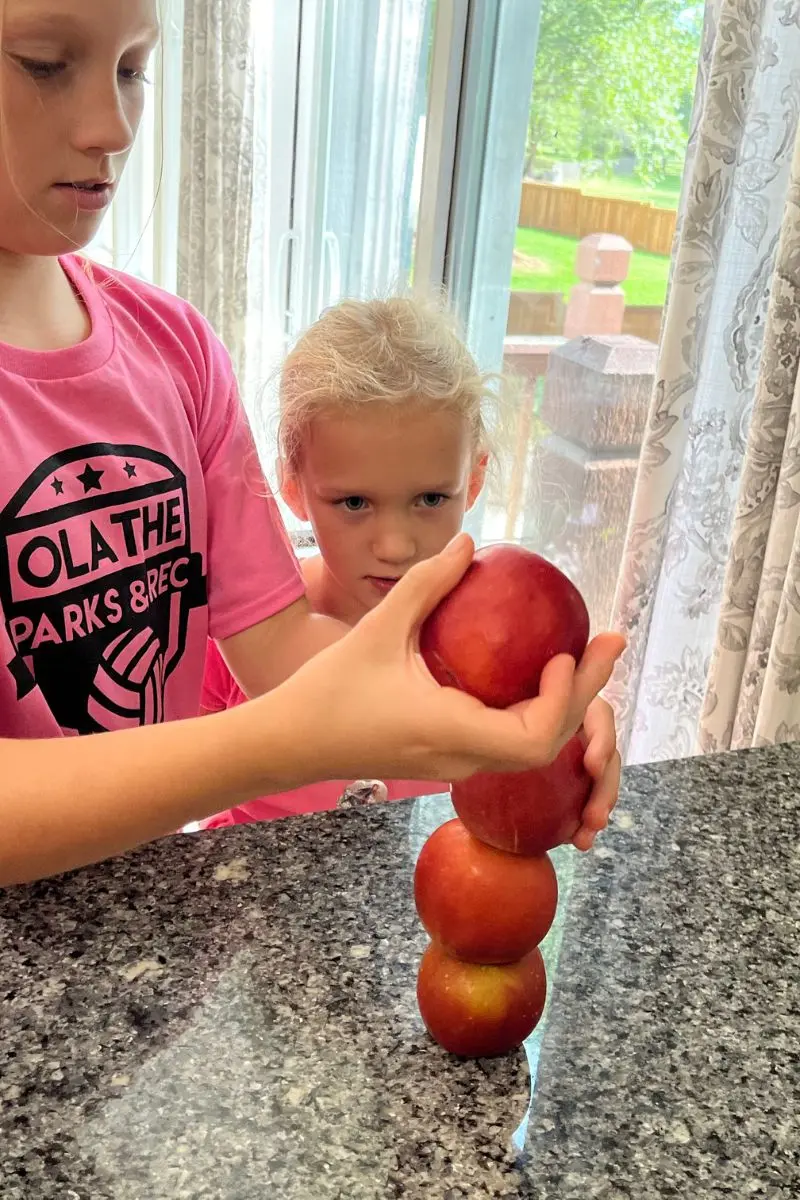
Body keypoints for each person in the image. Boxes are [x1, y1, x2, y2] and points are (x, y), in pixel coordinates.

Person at [0, 0, 624, 887]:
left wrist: (516, 705)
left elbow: (280, 640)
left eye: (134, 67)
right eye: (43, 61)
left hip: (157, 909)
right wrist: (272, 748)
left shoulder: (175, 349)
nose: (113, 124)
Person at [201, 294, 622, 843]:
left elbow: (527, 757)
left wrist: (568, 743)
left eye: (429, 498)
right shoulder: (246, 635)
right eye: (354, 503)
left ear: (472, 481)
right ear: (292, 487)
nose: (396, 546)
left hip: (414, 899)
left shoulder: (490, 646)